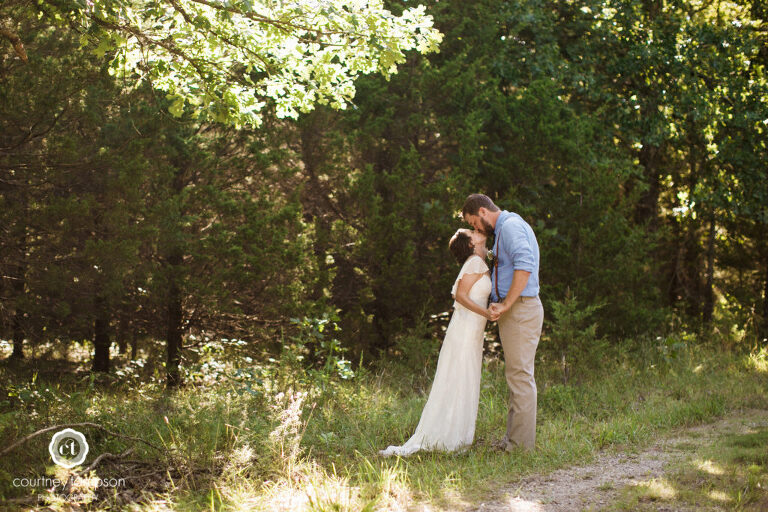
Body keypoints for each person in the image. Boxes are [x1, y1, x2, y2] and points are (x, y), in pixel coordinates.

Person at [379, 229, 492, 457]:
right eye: (472, 231)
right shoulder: (475, 263)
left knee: (463, 379)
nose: (476, 230)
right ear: (470, 243)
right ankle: (451, 437)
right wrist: (487, 313)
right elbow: (460, 296)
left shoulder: (480, 260)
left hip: (471, 329)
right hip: (466, 328)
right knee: (459, 378)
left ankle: (456, 435)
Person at [462, 193, 543, 452]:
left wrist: (507, 303)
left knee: (520, 377)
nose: (475, 228)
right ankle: (513, 441)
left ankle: (520, 447)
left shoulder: (510, 227)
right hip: (515, 311)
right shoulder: (506, 229)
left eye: (474, 222)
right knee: (515, 376)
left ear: (483, 212)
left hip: (521, 309)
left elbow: (525, 265)